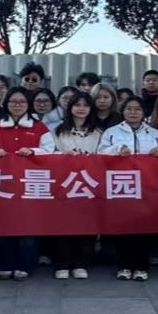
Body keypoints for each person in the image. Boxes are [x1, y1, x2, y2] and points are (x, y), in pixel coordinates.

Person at [33, 92, 102, 279]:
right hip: (64, 182)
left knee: (87, 225)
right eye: (77, 105)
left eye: (85, 105)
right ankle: (62, 263)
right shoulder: (57, 131)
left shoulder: (98, 132)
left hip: (88, 183)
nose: (81, 109)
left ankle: (80, 263)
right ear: (69, 108)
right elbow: (49, 153)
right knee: (62, 225)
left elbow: (104, 154)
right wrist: (65, 156)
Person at [99, 95, 158, 280]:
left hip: (147, 185)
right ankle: (124, 266)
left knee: (144, 227)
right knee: (124, 227)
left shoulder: (154, 133)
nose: (133, 112)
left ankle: (141, 267)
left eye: (137, 109)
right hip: (122, 185)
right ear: (123, 111)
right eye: (129, 109)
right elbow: (100, 152)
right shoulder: (112, 132)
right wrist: (117, 150)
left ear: (144, 112)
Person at [0, 87, 48, 280]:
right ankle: (5, 263)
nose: (17, 105)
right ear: (6, 103)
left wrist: (33, 152)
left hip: (29, 184)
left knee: (27, 225)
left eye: (22, 101)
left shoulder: (39, 127)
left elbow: (50, 150)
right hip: (2, 184)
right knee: (3, 224)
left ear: (28, 104)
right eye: (13, 101)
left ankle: (26, 264)